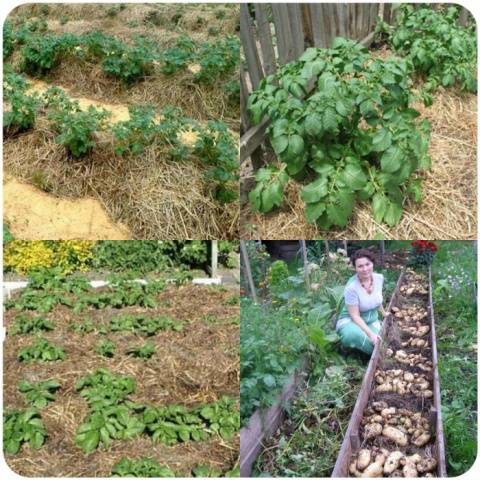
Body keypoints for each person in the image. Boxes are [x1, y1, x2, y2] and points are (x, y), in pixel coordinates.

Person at [336, 249, 388, 355]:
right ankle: (381, 356)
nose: (365, 269)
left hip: (372, 321)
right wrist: (370, 334)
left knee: (379, 339)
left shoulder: (379, 278)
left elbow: (377, 299)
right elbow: (355, 316)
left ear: (372, 263)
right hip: (351, 322)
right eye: (360, 266)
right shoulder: (352, 287)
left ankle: (376, 354)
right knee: (352, 335)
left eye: (367, 264)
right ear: (355, 268)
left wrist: (383, 313)